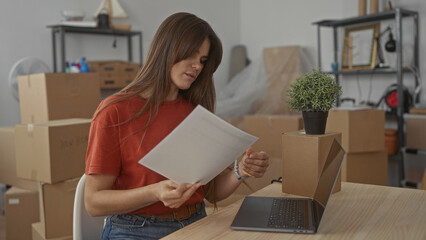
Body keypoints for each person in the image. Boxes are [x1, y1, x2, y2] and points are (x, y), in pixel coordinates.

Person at [85, 12, 270, 240]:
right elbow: (93, 202)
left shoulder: (193, 112)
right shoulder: (114, 111)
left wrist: (240, 171)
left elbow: (209, 192)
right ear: (167, 49)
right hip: (135, 229)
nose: (197, 66)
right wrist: (154, 192)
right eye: (192, 55)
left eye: (203, 60)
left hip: (196, 221)